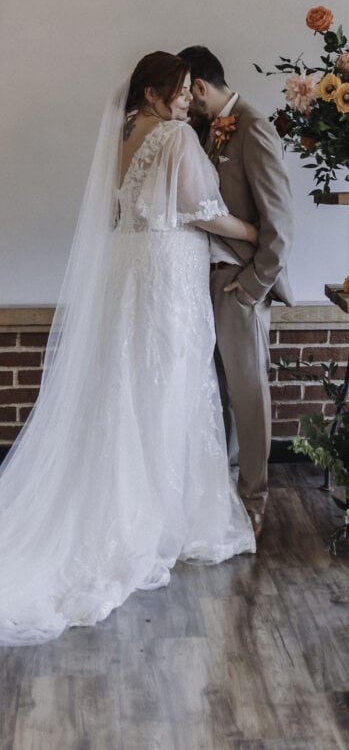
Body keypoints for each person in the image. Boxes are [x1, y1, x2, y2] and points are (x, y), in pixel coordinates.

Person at [0, 52, 257, 647]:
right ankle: (160, 516)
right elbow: (205, 211)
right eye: (179, 91)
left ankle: (142, 499)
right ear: (151, 93)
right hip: (168, 268)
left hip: (128, 265)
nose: (189, 100)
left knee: (128, 378)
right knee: (169, 380)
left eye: (192, 92)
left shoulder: (122, 136)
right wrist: (256, 232)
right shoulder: (172, 137)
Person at [178, 46, 293, 539]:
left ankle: (254, 498)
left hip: (238, 283)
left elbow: (280, 223)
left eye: (187, 93)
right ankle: (219, 494)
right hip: (199, 280)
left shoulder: (253, 126)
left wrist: (251, 288)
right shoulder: (203, 130)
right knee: (214, 393)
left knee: (248, 393)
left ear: (200, 87)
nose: (185, 104)